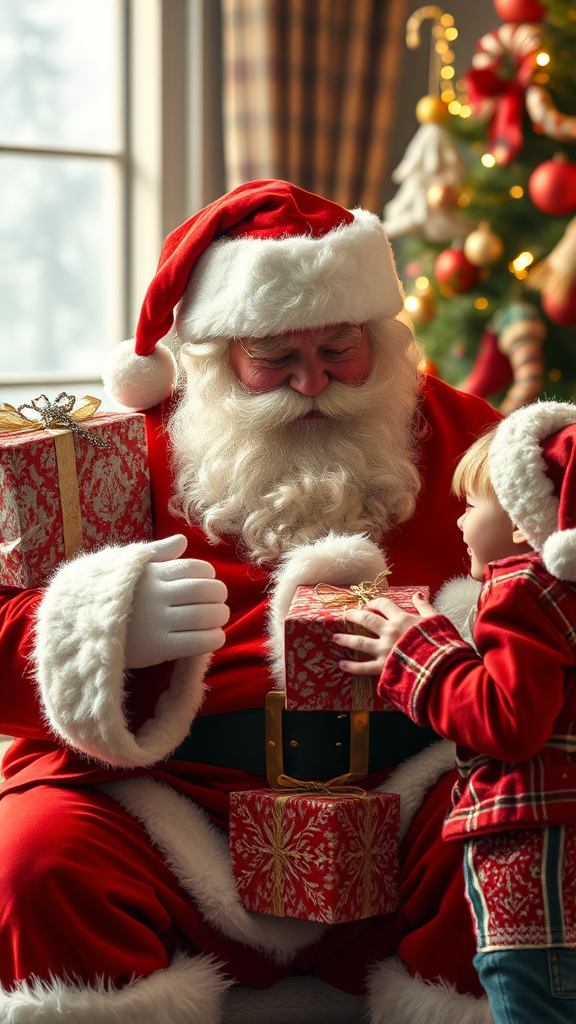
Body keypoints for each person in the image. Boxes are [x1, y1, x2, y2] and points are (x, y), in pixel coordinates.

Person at [0, 179, 501, 1023]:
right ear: (215, 355)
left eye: (341, 349)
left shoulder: (477, 446)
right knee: (35, 861)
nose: (312, 382)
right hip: (172, 799)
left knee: (529, 833)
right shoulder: (110, 456)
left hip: (411, 797)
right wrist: (100, 626)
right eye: (274, 357)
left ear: (381, 335)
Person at [335, 400, 576, 1024]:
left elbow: (510, 722)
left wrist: (415, 649)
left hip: (544, 896)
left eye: (472, 505)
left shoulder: (521, 589)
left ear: (525, 523)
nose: (460, 521)